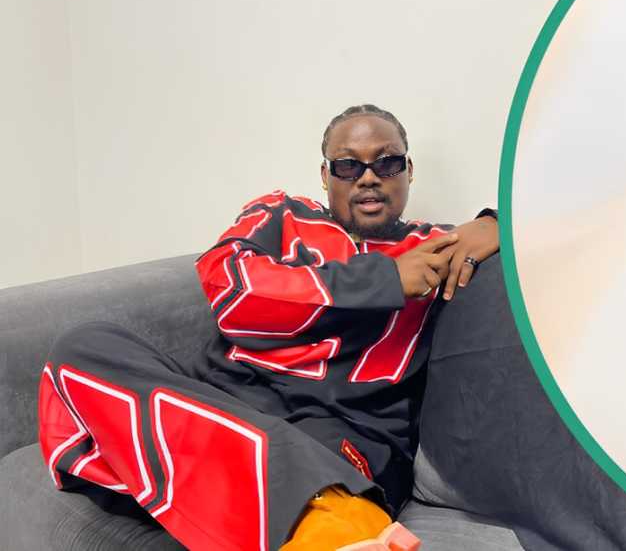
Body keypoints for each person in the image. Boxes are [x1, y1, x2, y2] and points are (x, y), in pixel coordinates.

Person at [37, 103, 499, 551]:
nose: (368, 176)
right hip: (225, 404)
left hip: (340, 435)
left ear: (409, 170)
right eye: (347, 166)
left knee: (306, 462)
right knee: (85, 346)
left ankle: (291, 510)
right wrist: (387, 279)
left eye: (388, 162)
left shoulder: (437, 246)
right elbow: (230, 290)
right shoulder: (280, 214)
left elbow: (552, 225)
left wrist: (497, 222)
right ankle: (324, 518)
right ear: (324, 176)